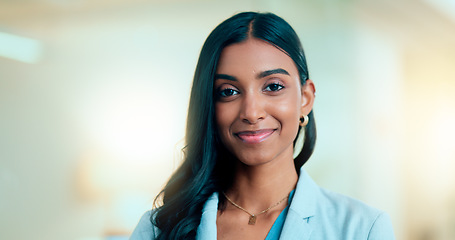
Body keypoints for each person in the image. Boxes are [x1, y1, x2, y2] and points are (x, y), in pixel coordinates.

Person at [131, 12, 395, 240]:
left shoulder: (362, 229)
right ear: (209, 106)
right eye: (228, 91)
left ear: (305, 99)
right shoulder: (158, 228)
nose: (251, 112)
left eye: (273, 87)